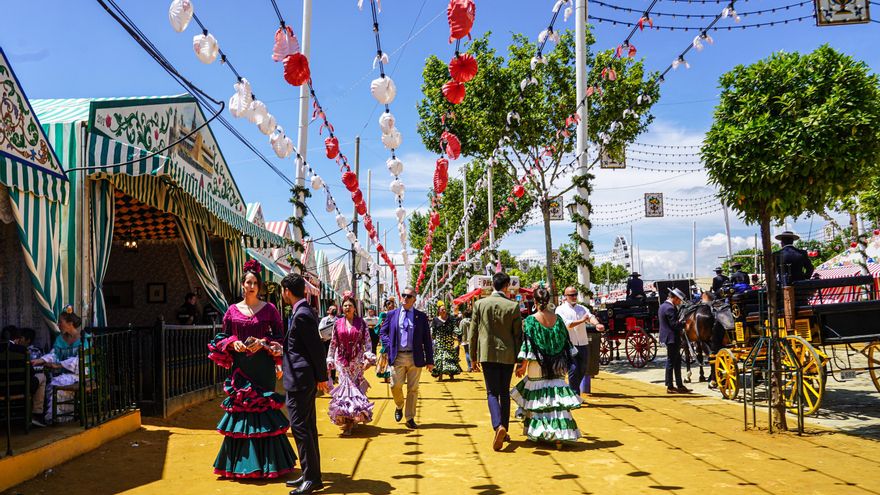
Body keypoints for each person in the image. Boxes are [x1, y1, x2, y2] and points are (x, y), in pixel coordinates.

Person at [207, 260, 296, 480]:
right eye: (248, 282)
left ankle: (270, 465)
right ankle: (241, 465)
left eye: (255, 282)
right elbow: (222, 336)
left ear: (260, 286)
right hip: (241, 368)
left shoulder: (270, 310)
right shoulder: (231, 310)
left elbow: (279, 337)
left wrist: (264, 342)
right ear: (242, 285)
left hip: (263, 367)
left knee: (263, 410)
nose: (252, 286)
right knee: (241, 411)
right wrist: (232, 342)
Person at [511, 287, 581, 447]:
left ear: (534, 302)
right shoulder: (558, 319)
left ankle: (540, 433)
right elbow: (566, 343)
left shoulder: (530, 320)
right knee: (556, 398)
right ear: (548, 300)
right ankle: (559, 435)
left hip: (538, 363)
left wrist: (522, 365)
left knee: (539, 399)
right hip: (557, 363)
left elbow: (528, 346)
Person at [280, 273, 331, 495]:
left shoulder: (302, 314)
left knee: (301, 428)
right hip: (300, 378)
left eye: (282, 291)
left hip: (301, 380)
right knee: (307, 427)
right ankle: (312, 475)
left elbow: (316, 349)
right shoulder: (302, 312)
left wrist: (322, 377)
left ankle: (311, 478)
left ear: (287, 292)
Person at [470, 272, 523, 451]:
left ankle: (497, 426)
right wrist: (519, 358)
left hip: (487, 354)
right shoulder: (513, 306)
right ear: (507, 285)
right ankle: (504, 428)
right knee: (504, 392)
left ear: (492, 284)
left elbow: (473, 333)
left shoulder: (479, 304)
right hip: (507, 355)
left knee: (492, 392)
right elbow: (518, 335)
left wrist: (473, 356)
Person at [380, 286, 434, 429]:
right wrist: (389, 344)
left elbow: (427, 340)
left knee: (413, 389)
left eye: (409, 296)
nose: (405, 298)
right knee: (394, 385)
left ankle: (409, 417)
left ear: (414, 300)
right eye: (403, 295)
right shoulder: (392, 314)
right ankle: (399, 405)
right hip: (397, 356)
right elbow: (383, 332)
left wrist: (430, 360)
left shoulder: (421, 317)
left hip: (414, 357)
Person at [326, 294, 375, 436]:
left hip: (356, 361)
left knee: (355, 390)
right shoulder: (337, 323)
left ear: (355, 308)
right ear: (342, 308)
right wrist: (329, 357)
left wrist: (368, 357)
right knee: (345, 390)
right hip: (341, 361)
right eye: (345, 305)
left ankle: (353, 418)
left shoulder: (362, 323)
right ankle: (347, 422)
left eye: (350, 305)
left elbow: (367, 342)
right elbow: (333, 342)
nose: (347, 307)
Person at [31, 305, 89, 425]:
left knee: (57, 382)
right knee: (53, 382)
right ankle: (55, 417)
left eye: (60, 322)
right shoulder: (60, 339)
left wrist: (59, 365)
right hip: (65, 374)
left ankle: (57, 418)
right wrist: (41, 360)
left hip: (80, 374)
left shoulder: (84, 338)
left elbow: (81, 360)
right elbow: (54, 354)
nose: (58, 324)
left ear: (70, 323)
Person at [555, 286, 605, 397]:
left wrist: (597, 324)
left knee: (583, 369)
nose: (574, 297)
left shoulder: (581, 308)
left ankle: (572, 391)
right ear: (565, 296)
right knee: (573, 369)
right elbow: (568, 325)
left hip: (583, 343)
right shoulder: (560, 310)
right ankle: (574, 395)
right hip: (569, 345)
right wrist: (582, 320)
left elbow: (590, 317)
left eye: (575, 294)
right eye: (571, 295)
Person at [659, 288, 691, 394]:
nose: (680, 302)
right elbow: (674, 325)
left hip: (670, 337)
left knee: (676, 362)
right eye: (679, 300)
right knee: (671, 362)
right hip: (672, 337)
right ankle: (670, 386)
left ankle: (679, 384)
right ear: (675, 298)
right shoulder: (670, 308)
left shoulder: (663, 306)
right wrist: (685, 324)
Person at [430, 302, 462, 381]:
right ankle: (440, 375)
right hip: (439, 342)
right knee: (440, 359)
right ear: (439, 311)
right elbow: (433, 330)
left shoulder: (450, 319)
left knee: (450, 358)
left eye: (445, 309)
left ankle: (451, 375)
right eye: (442, 309)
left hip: (448, 342)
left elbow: (454, 327)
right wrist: (432, 337)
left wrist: (459, 333)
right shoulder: (435, 320)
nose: (444, 311)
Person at [375, 299, 396, 383]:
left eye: (393, 305)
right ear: (386, 306)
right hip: (385, 337)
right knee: (385, 355)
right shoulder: (383, 314)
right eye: (390, 305)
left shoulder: (396, 313)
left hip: (394, 336)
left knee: (393, 355)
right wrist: (381, 325)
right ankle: (385, 375)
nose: (392, 307)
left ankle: (391, 374)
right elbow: (378, 326)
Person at [318, 306, 338, 382]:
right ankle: (325, 376)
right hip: (325, 342)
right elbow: (320, 329)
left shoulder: (338, 320)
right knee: (325, 358)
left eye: (335, 309)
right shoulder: (324, 320)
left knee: (334, 358)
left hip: (334, 342)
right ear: (328, 311)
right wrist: (321, 337)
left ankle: (332, 376)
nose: (334, 310)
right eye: (332, 309)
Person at [458, 306, 473, 372]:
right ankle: (473, 366)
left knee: (467, 352)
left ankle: (469, 367)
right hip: (472, 339)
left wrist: (459, 339)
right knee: (473, 353)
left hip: (465, 339)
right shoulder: (473, 321)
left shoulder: (462, 322)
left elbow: (459, 331)